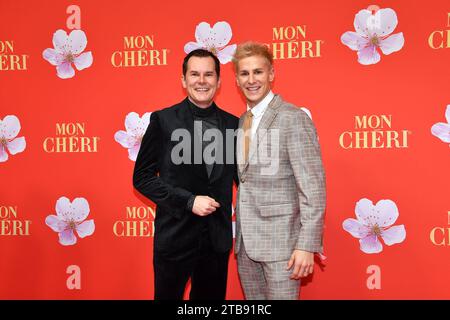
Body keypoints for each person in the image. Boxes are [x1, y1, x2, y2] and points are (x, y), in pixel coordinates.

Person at [133, 49, 239, 300]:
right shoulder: (163, 120)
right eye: (194, 74)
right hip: (174, 239)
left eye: (208, 75)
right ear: (183, 80)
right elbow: (142, 177)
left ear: (219, 81)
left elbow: (244, 181)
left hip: (216, 242)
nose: (201, 81)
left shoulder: (235, 125)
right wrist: (188, 201)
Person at [232, 42, 326, 300]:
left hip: (282, 245)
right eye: (244, 73)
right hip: (245, 244)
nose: (251, 80)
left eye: (258, 72)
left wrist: (306, 245)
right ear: (237, 79)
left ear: (271, 74)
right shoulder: (241, 122)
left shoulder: (292, 118)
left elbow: (313, 187)